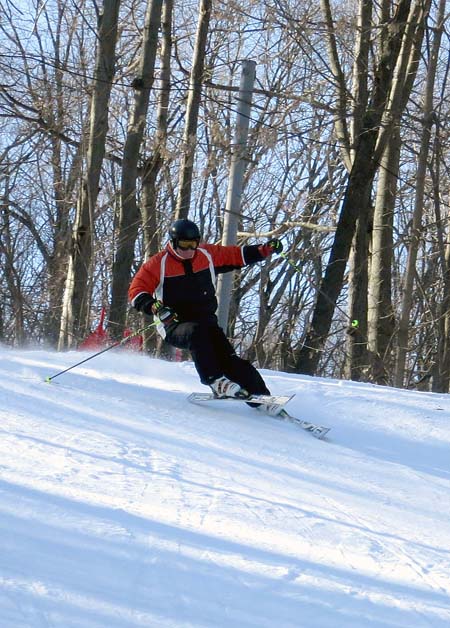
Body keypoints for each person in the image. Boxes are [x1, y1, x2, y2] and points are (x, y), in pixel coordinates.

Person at [128, 218, 283, 399]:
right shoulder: (158, 264)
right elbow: (136, 291)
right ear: (173, 242)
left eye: (193, 244)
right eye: (184, 245)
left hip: (207, 322)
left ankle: (262, 396)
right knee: (196, 332)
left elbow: (236, 255)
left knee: (230, 360)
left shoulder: (206, 254)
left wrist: (264, 250)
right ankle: (215, 381)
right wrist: (155, 307)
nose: (189, 250)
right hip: (175, 324)